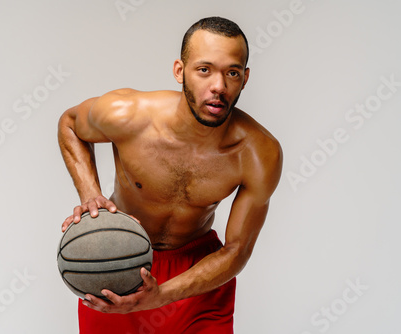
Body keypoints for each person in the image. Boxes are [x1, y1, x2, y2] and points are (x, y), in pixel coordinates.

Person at [58, 16, 283, 333]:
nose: (218, 86)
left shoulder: (259, 153)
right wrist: (89, 193)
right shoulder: (128, 115)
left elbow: (237, 250)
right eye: (204, 70)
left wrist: (162, 295)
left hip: (200, 277)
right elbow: (70, 124)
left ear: (244, 78)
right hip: (116, 264)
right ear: (180, 71)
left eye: (231, 72)